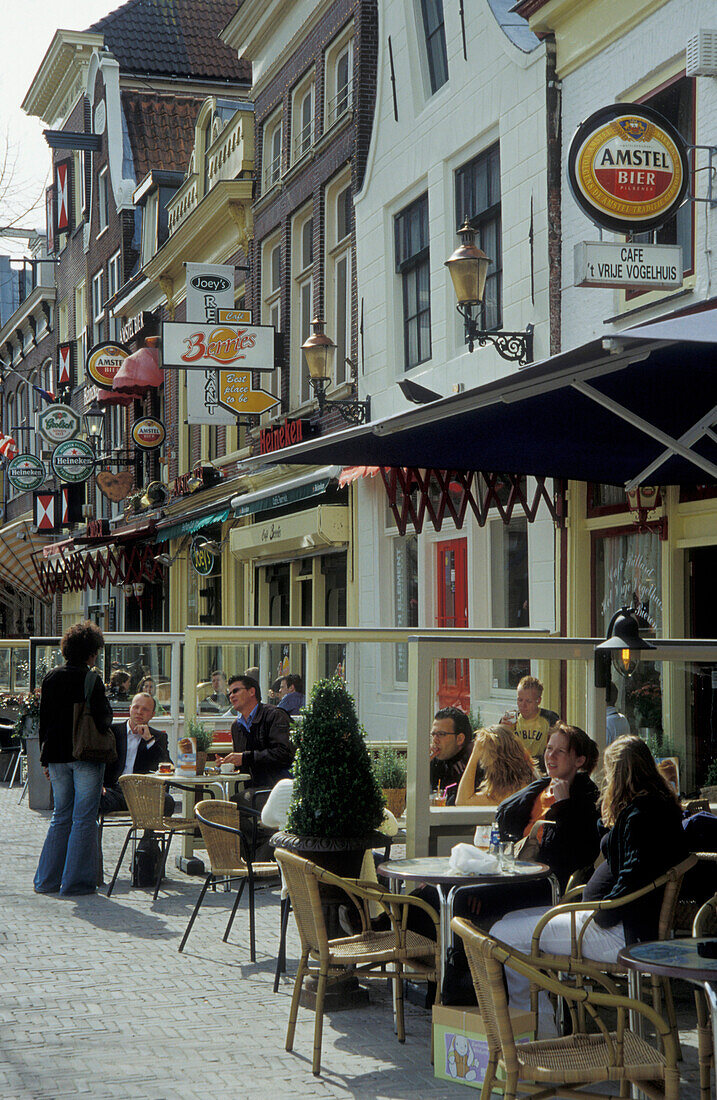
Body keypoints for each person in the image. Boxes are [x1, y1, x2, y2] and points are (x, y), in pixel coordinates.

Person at [491, 734, 689, 1018]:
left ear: (621, 775)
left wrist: (597, 912)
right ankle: (543, 1020)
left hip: (615, 930)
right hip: (617, 922)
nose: (606, 782)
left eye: (609, 774)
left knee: (502, 934)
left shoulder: (642, 817)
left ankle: (535, 1027)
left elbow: (632, 876)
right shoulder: (654, 808)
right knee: (509, 921)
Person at [34, 621, 114, 896]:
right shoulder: (91, 679)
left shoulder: (51, 677)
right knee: (84, 817)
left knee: (60, 815)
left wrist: (45, 760)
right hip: (86, 755)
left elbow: (44, 721)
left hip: (56, 756)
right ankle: (76, 883)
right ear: (92, 652)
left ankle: (47, 880)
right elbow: (104, 719)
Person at [496, 723, 600, 892]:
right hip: (514, 873)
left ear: (579, 760)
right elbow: (505, 822)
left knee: (462, 899)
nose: (551, 756)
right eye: (549, 748)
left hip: (545, 884)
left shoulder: (587, 801)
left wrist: (563, 806)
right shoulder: (537, 789)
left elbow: (572, 857)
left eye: (560, 751)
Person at [217, 674, 295, 859]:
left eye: (236, 691)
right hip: (256, 789)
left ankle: (256, 861)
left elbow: (284, 754)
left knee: (234, 806)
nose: (231, 696)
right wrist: (229, 764)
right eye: (229, 693)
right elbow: (246, 764)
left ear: (252, 692)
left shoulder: (275, 715)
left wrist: (244, 757)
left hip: (279, 788)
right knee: (233, 805)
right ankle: (256, 858)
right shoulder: (237, 726)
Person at [99, 692, 174, 817]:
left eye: (145, 709)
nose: (139, 712)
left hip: (143, 792)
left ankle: (150, 836)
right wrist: (99, 785)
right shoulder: (112, 732)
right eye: (136, 707)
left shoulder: (158, 737)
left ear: (152, 715)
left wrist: (149, 740)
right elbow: (98, 761)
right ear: (130, 709)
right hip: (114, 791)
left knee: (168, 801)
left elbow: (167, 766)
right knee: (92, 799)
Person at [455, 725, 538, 807]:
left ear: (494, 757)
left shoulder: (503, 793)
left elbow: (462, 802)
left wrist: (474, 755)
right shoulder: (529, 778)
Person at [501, 675, 559, 764]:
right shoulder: (510, 720)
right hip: (516, 766)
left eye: (528, 701)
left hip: (541, 767)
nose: (523, 705)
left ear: (538, 701)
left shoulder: (549, 719)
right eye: (520, 700)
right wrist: (502, 732)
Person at [429, 707, 474, 805]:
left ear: (460, 739)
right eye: (433, 734)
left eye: (441, 734)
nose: (435, 740)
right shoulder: (435, 761)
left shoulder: (472, 765)